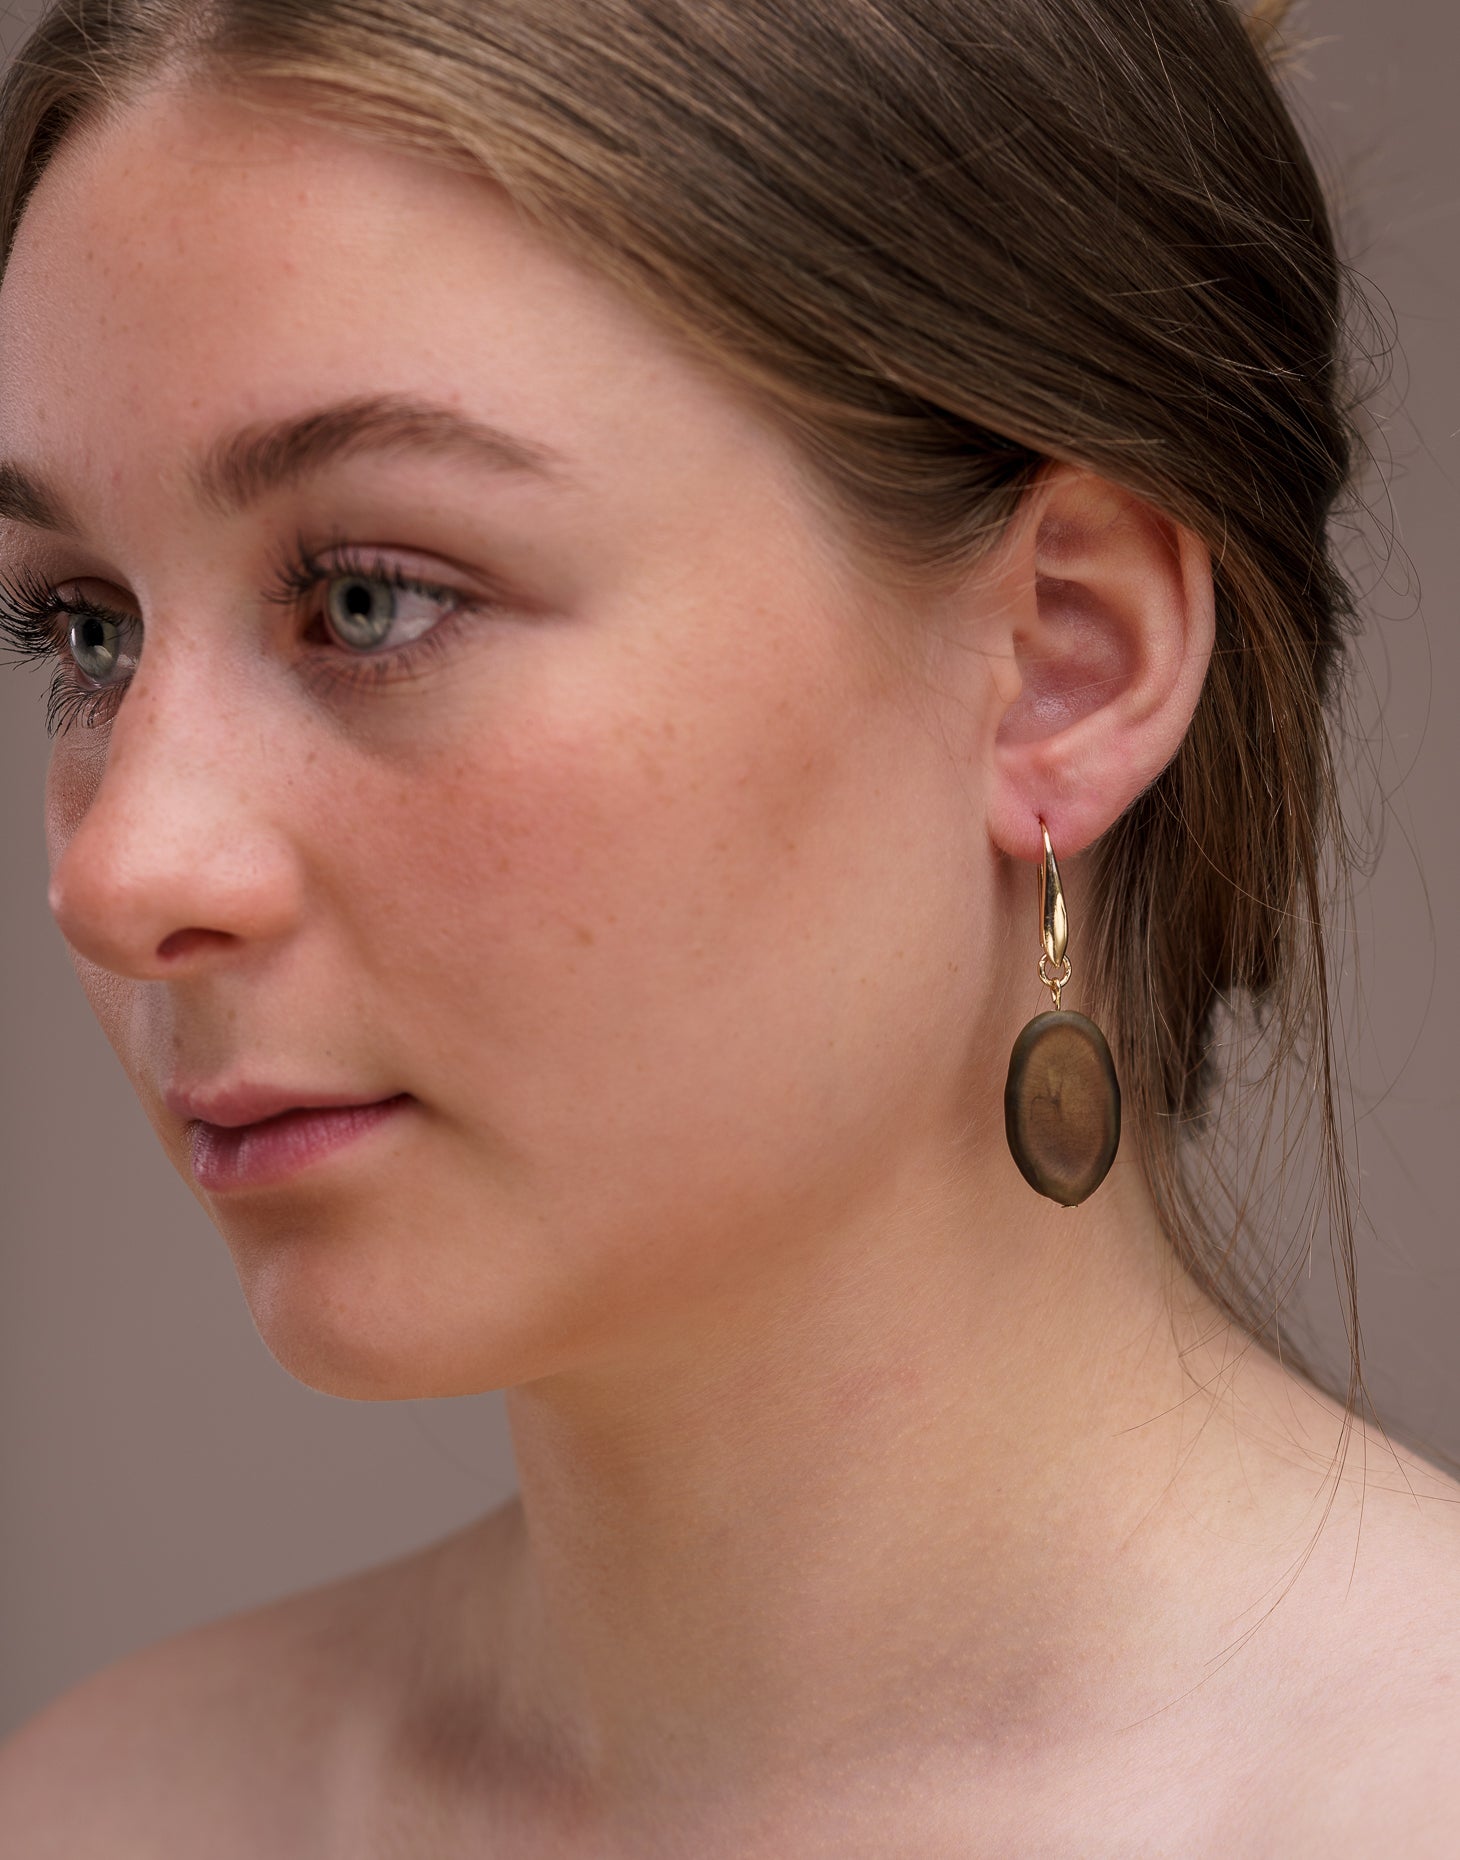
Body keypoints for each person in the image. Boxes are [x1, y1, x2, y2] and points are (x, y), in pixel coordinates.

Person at [0, 0, 1455, 1851]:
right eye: (83, 631)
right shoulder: (102, 1816)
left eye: (372, 599)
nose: (120, 873)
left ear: (1066, 666)